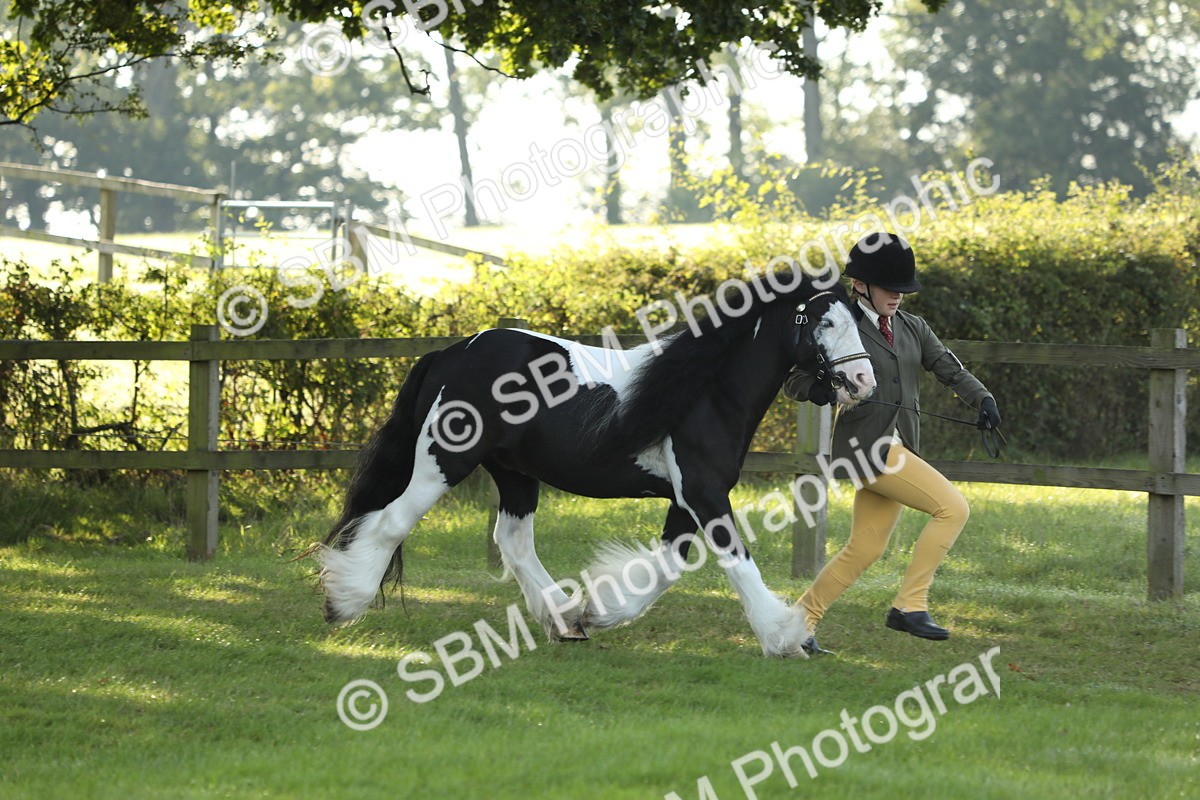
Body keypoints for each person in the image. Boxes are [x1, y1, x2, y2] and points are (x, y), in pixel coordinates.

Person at [784, 232, 1001, 655]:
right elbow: (795, 378)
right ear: (861, 284)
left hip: (901, 446)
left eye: (904, 289)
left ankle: (798, 625)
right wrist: (821, 391)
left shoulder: (912, 328)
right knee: (953, 508)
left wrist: (984, 398)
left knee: (866, 546)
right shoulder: (838, 323)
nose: (899, 297)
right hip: (868, 447)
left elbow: (949, 369)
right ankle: (909, 605)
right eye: (890, 289)